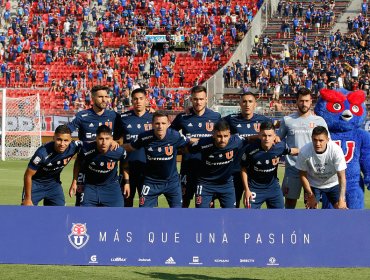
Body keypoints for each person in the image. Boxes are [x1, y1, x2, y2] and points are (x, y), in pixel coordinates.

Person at [67, 85, 122, 206]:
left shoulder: (114, 116)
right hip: (85, 171)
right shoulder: (82, 116)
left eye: (106, 96)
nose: (104, 100)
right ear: (92, 98)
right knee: (83, 209)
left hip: (107, 172)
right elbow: (66, 131)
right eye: (100, 97)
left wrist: (116, 142)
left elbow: (124, 136)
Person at [123, 111, 191, 208]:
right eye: (157, 123)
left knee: (178, 213)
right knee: (144, 213)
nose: (160, 126)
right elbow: (130, 147)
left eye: (163, 123)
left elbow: (190, 143)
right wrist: (113, 146)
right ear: (152, 124)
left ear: (168, 124)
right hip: (151, 182)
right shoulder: (145, 137)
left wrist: (209, 142)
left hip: (172, 182)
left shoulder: (175, 136)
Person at [277, 88, 328, 209]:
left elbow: (327, 143)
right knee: (289, 204)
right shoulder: (287, 120)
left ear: (311, 102)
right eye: (301, 101)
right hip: (292, 169)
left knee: (311, 205)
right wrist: (284, 151)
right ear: (296, 101)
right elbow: (278, 141)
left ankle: (310, 228)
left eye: (306, 101)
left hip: (313, 170)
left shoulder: (319, 121)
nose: (304, 104)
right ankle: (289, 228)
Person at [170, 85, 221, 207]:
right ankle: (183, 226)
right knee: (184, 200)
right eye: (195, 99)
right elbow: (170, 135)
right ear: (191, 99)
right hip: (188, 166)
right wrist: (187, 140)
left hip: (208, 167)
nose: (198, 102)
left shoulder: (215, 117)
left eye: (201, 99)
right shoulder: (183, 117)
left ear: (206, 99)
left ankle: (207, 226)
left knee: (208, 203)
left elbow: (223, 137)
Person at [223, 92, 271, 208]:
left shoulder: (263, 120)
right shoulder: (231, 119)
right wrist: (190, 110)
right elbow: (213, 122)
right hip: (236, 168)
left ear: (255, 104)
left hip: (256, 170)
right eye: (244, 101)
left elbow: (275, 130)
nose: (247, 104)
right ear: (240, 104)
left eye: (250, 101)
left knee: (252, 205)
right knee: (234, 204)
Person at [188, 119, 249, 208]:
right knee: (201, 214)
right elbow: (187, 148)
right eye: (219, 136)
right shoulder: (204, 143)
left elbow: (250, 139)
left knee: (230, 214)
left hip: (226, 184)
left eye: (225, 136)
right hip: (205, 184)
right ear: (213, 134)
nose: (222, 140)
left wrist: (275, 138)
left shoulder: (237, 141)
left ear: (229, 134)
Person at [241, 121, 298, 209]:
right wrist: (247, 190)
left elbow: (293, 151)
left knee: (279, 217)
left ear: (275, 136)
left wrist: (311, 151)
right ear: (259, 135)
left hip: (273, 188)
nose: (267, 139)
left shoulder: (280, 147)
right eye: (264, 135)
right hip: (254, 188)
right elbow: (243, 169)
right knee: (250, 217)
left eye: (270, 135)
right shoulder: (250, 149)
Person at [69, 125, 129, 207]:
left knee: (117, 215)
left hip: (111, 188)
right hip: (91, 187)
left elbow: (125, 165)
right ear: (96, 138)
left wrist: (126, 183)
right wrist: (75, 182)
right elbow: (78, 162)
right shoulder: (86, 150)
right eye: (101, 139)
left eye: (107, 139)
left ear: (111, 139)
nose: (104, 142)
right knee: (83, 214)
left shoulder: (119, 151)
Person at [22, 125, 81, 206]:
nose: (62, 144)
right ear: (54, 138)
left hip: (54, 185)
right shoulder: (42, 153)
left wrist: (75, 181)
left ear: (70, 140)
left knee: (60, 214)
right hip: (35, 185)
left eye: (66, 140)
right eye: (59, 139)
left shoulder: (74, 147)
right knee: (26, 212)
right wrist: (27, 198)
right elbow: (28, 175)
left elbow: (90, 145)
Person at [295, 126, 347, 209]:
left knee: (341, 209)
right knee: (311, 210)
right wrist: (310, 195)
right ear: (311, 138)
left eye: (321, 140)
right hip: (313, 184)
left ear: (327, 139)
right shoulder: (304, 151)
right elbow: (302, 175)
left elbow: (342, 177)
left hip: (333, 184)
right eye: (315, 140)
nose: (317, 143)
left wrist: (341, 199)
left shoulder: (336, 151)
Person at [120, 88, 153, 207]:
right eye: (135, 99)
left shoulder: (154, 119)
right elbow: (113, 138)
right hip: (127, 169)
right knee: (126, 204)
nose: (138, 101)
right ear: (132, 101)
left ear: (146, 100)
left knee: (146, 206)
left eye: (141, 99)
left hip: (147, 170)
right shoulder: (123, 118)